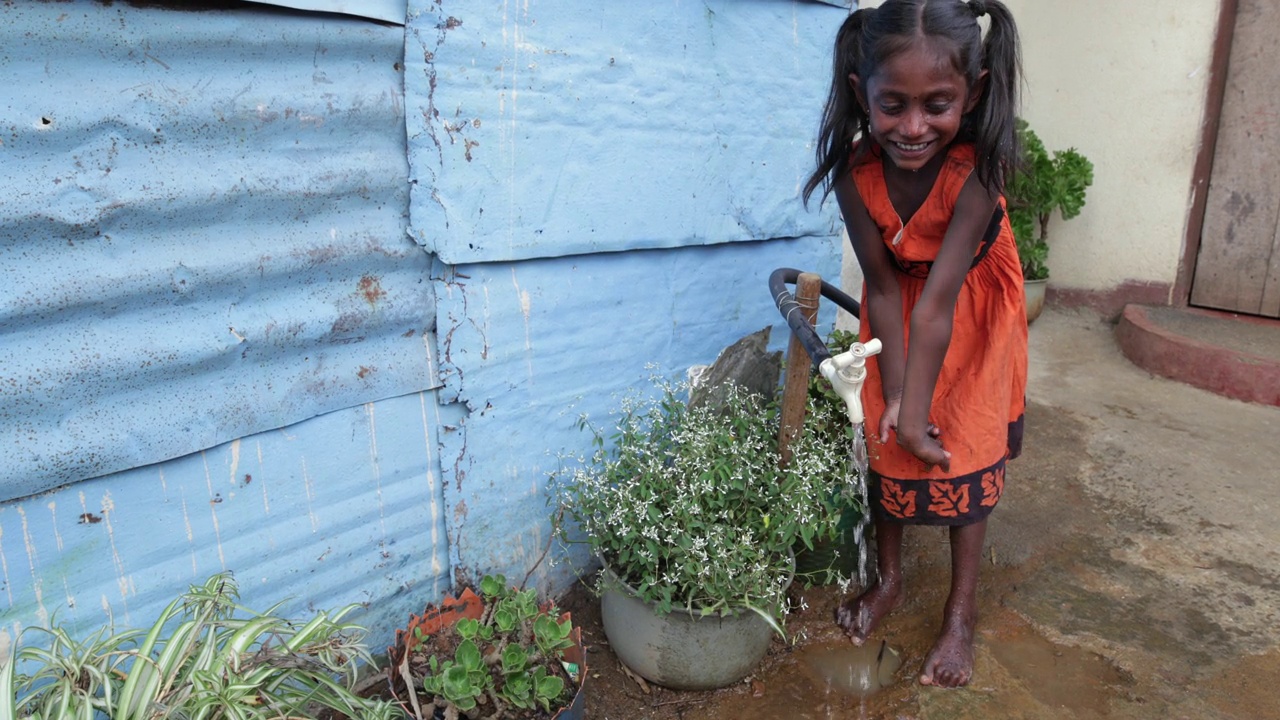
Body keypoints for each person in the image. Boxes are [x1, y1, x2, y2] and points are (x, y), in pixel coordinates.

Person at [801, 0, 1028, 689]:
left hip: (971, 307)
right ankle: (890, 579)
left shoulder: (979, 169)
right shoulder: (852, 172)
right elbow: (884, 283)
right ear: (858, 92)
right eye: (891, 104)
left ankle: (960, 613)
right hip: (895, 303)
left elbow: (941, 302)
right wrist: (897, 397)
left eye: (937, 105)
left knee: (964, 441)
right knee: (888, 438)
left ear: (975, 92)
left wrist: (919, 406)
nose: (912, 126)